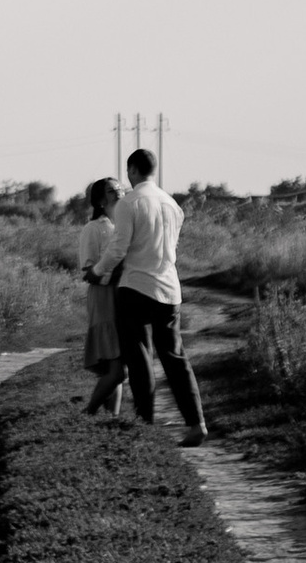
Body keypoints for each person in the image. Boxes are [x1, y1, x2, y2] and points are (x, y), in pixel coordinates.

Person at [90, 147, 208, 441]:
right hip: (169, 289)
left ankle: (145, 426)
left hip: (136, 288)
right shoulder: (172, 205)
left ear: (132, 171)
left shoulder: (129, 203)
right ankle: (196, 423)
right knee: (175, 357)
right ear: (153, 171)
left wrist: (98, 271)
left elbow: (118, 248)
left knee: (140, 358)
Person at [77, 176, 128, 416]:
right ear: (99, 199)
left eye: (119, 188)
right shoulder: (94, 228)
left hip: (126, 296)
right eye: (111, 190)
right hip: (104, 296)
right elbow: (87, 271)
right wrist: (113, 275)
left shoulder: (126, 224)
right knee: (115, 368)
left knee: (116, 370)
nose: (118, 192)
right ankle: (89, 413)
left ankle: (111, 420)